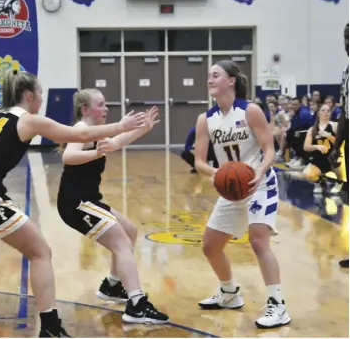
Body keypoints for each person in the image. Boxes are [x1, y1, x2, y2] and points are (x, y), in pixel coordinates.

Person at [0, 71, 147, 338]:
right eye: (41, 95)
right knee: (40, 253)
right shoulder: (29, 121)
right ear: (30, 96)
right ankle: (50, 327)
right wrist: (122, 126)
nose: (43, 100)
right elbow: (78, 136)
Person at [56, 89, 169, 325]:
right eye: (101, 104)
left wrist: (143, 128)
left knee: (130, 231)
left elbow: (116, 143)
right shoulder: (79, 130)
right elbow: (68, 156)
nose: (106, 109)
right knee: (122, 243)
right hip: (76, 203)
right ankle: (136, 304)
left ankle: (112, 286)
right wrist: (96, 152)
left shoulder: (95, 133)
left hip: (88, 200)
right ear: (86, 110)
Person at [193, 60, 291, 329]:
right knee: (210, 247)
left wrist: (259, 171)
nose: (210, 80)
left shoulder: (251, 111)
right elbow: (199, 160)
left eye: (215, 75)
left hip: (259, 182)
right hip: (231, 187)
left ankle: (277, 305)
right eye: (209, 76)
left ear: (231, 81)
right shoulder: (206, 119)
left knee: (258, 241)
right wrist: (215, 173)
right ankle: (229, 293)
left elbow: (270, 150)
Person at [329, 22, 349, 268]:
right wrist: (337, 146)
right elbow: (345, 111)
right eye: (345, 37)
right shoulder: (346, 71)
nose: (347, 42)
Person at [303, 104, 339, 194]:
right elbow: (306, 147)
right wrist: (316, 146)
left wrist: (328, 136)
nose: (326, 112)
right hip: (319, 158)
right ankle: (319, 182)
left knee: (337, 174)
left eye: (328, 110)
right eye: (323, 110)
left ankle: (339, 183)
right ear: (318, 113)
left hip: (334, 158)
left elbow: (340, 143)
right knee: (307, 174)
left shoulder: (335, 125)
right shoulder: (312, 129)